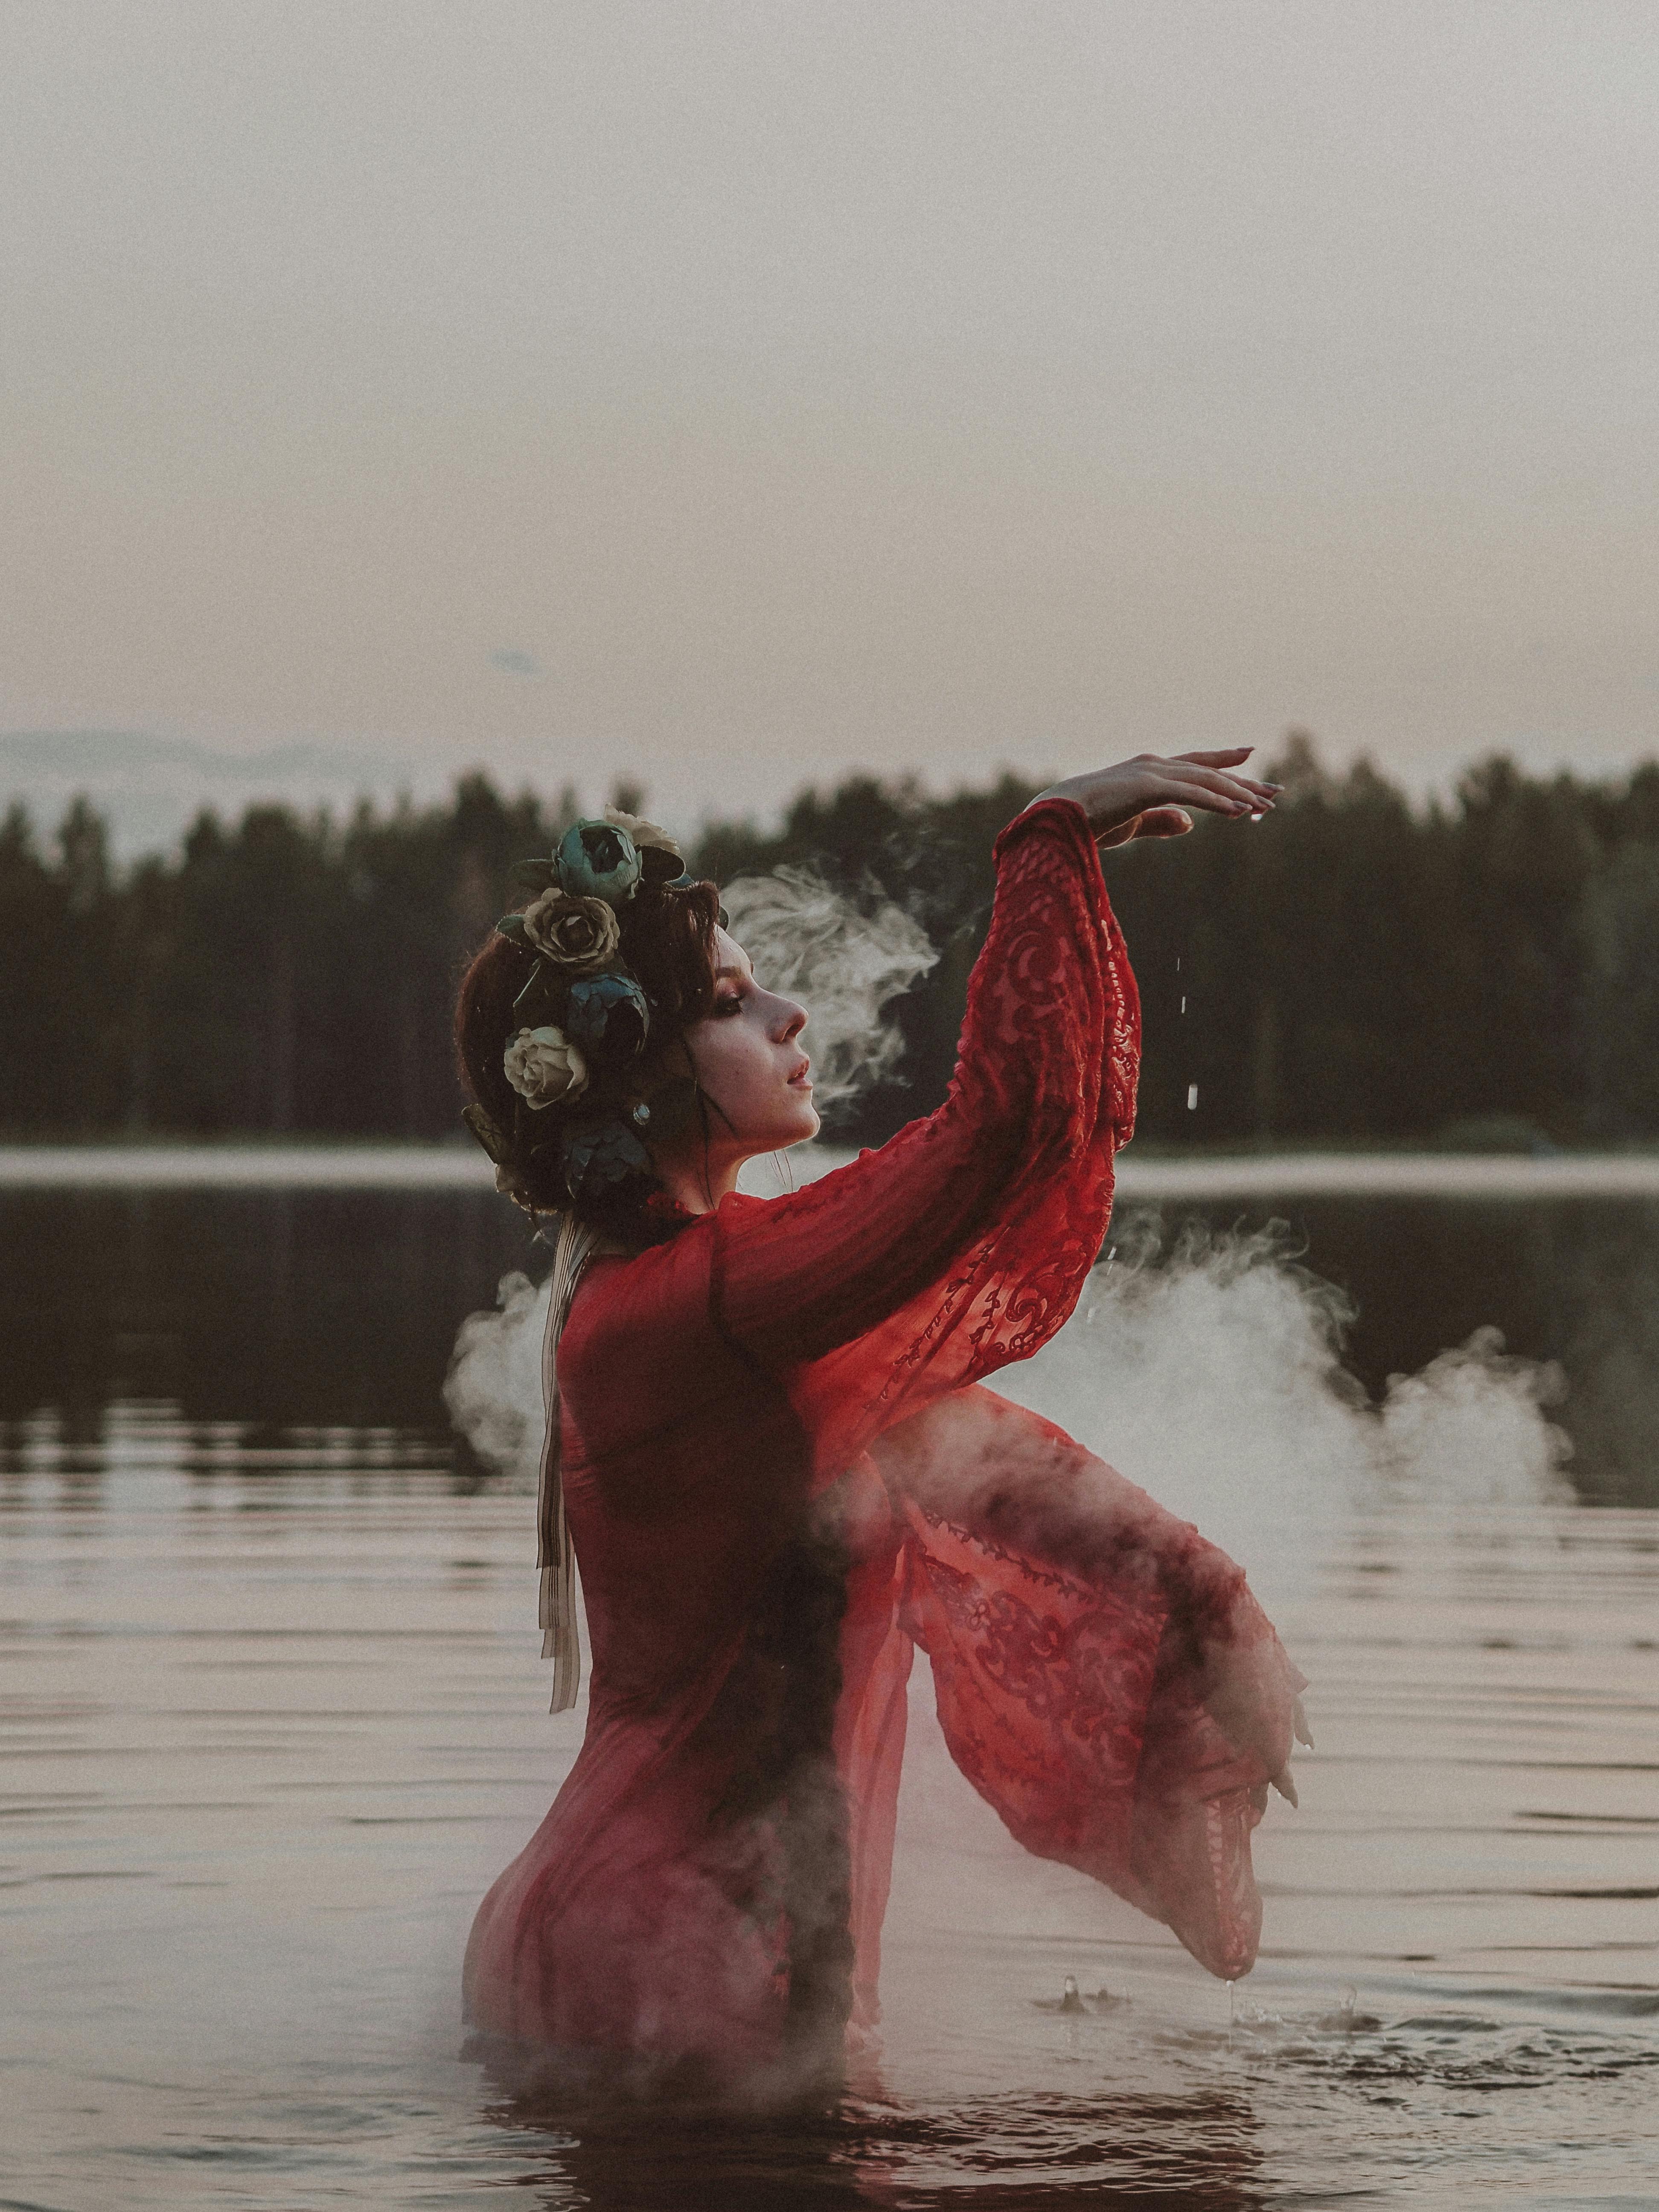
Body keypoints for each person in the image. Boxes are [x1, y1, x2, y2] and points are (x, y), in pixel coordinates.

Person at [452, 750, 1308, 2101]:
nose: (793, 1018)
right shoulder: (695, 1308)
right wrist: (1042, 846)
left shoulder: (702, 1315)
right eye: (733, 1003)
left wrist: (1206, 1615)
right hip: (673, 1968)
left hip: (668, 1961)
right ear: (643, 1078)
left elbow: (980, 1470)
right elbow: (1004, 1130)